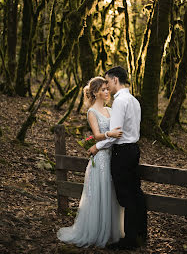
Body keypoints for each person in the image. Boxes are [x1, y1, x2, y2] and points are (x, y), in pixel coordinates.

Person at [57, 76, 124, 248]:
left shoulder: (110, 110)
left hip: (113, 156)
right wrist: (110, 134)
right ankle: (95, 231)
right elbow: (96, 135)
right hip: (101, 158)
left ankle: (110, 230)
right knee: (99, 193)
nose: (107, 92)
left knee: (111, 193)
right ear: (95, 92)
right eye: (103, 89)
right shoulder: (92, 112)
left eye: (107, 89)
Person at [89, 66, 147, 251]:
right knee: (136, 192)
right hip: (133, 150)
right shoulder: (134, 100)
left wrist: (96, 146)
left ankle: (129, 239)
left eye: (108, 81)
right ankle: (140, 233)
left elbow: (115, 134)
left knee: (126, 196)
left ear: (115, 80)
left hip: (122, 152)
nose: (107, 85)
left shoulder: (120, 102)